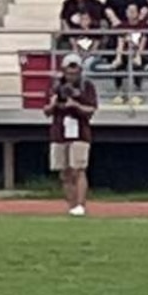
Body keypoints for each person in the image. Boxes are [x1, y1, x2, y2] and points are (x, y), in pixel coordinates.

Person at [49, 55, 100, 217]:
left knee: (78, 168)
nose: (72, 76)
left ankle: (81, 205)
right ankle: (71, 205)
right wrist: (53, 104)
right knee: (64, 171)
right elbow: (46, 110)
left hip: (80, 131)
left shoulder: (87, 86)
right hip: (60, 131)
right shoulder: (55, 86)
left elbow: (92, 109)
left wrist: (76, 104)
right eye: (69, 72)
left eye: (75, 72)